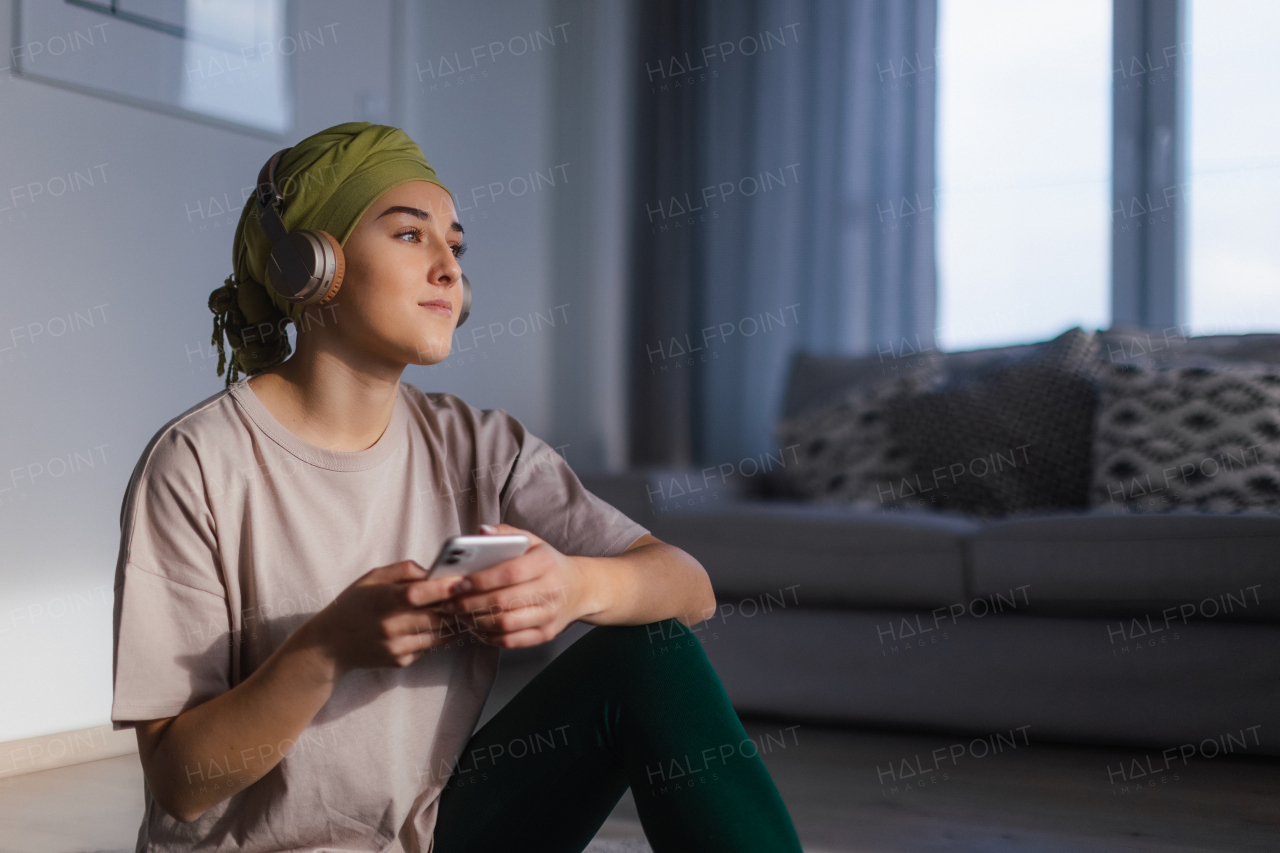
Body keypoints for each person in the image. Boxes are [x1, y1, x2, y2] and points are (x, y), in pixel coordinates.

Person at [110, 122, 803, 853]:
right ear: (310, 263)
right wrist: (327, 648)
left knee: (653, 654)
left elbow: (689, 586)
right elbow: (181, 780)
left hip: (429, 839)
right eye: (411, 236)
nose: (449, 267)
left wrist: (571, 583)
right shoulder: (197, 462)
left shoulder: (480, 445)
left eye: (456, 246)